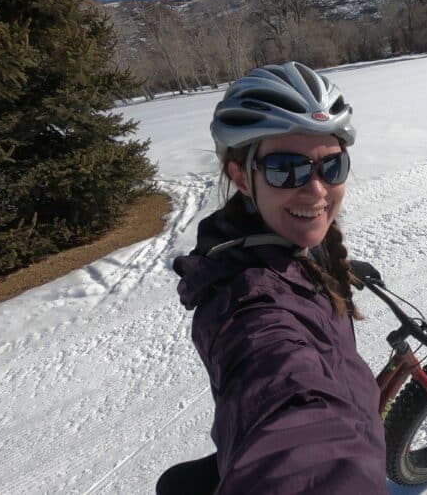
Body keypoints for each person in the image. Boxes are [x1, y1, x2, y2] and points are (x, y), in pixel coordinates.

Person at [162, 62, 388, 494]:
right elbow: (288, 403)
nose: (317, 190)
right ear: (240, 177)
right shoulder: (249, 305)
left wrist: (321, 270)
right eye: (287, 169)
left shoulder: (287, 241)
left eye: (332, 166)